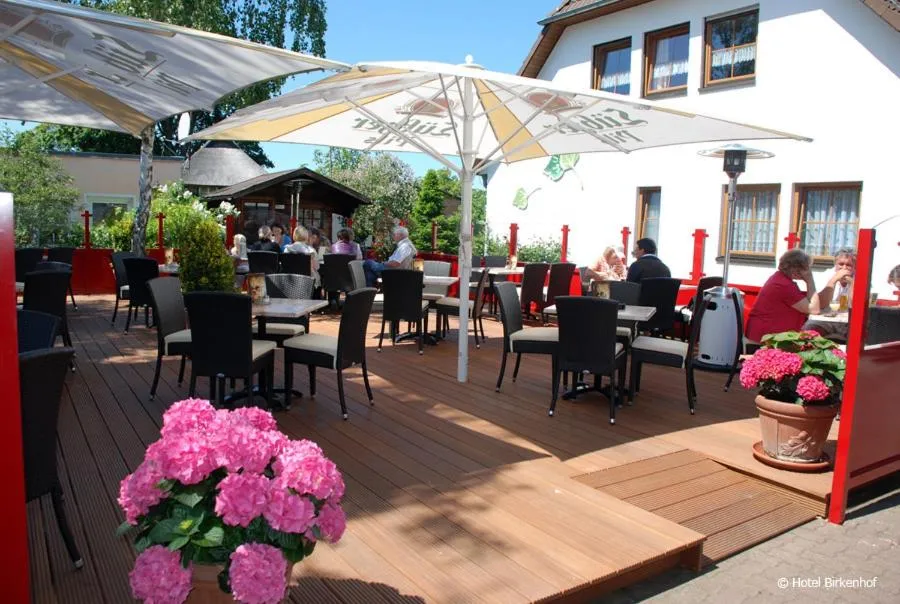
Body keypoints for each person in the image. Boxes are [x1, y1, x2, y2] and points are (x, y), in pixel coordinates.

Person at [746, 249, 835, 342]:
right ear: (797, 269)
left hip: (770, 334)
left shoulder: (780, 279)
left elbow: (812, 302)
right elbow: (814, 310)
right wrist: (809, 279)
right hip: (766, 338)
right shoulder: (783, 285)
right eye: (807, 268)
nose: (808, 271)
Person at [802, 248, 855, 341]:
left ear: (855, 267)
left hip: (848, 322)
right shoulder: (826, 275)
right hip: (825, 320)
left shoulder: (860, 278)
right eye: (841, 264)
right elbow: (821, 304)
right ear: (835, 264)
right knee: (809, 329)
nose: (844, 268)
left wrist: (852, 284)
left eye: (849, 265)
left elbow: (855, 306)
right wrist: (833, 281)